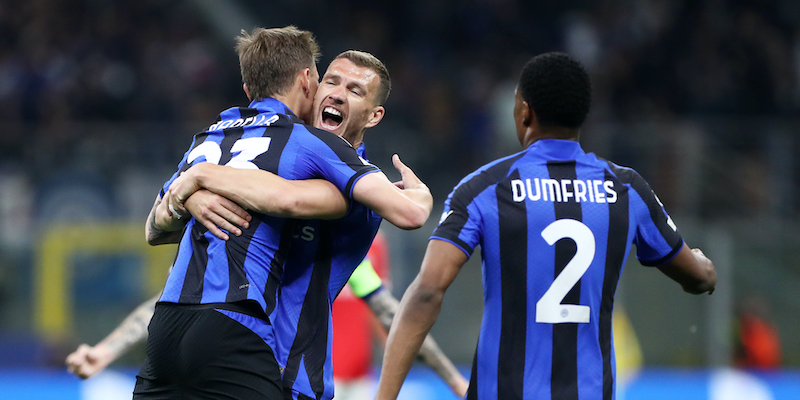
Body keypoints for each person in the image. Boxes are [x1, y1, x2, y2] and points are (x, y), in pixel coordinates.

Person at [374, 52, 717, 400]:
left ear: (525, 111)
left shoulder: (486, 189)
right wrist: (703, 265)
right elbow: (698, 277)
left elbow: (429, 290)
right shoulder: (626, 189)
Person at [134, 27, 433, 399]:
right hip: (247, 339)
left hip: (261, 353)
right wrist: (192, 196)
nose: (338, 94)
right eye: (332, 82)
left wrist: (199, 179)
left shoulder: (211, 139)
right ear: (310, 83)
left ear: (374, 116)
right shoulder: (296, 143)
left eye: (354, 91)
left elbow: (288, 197)